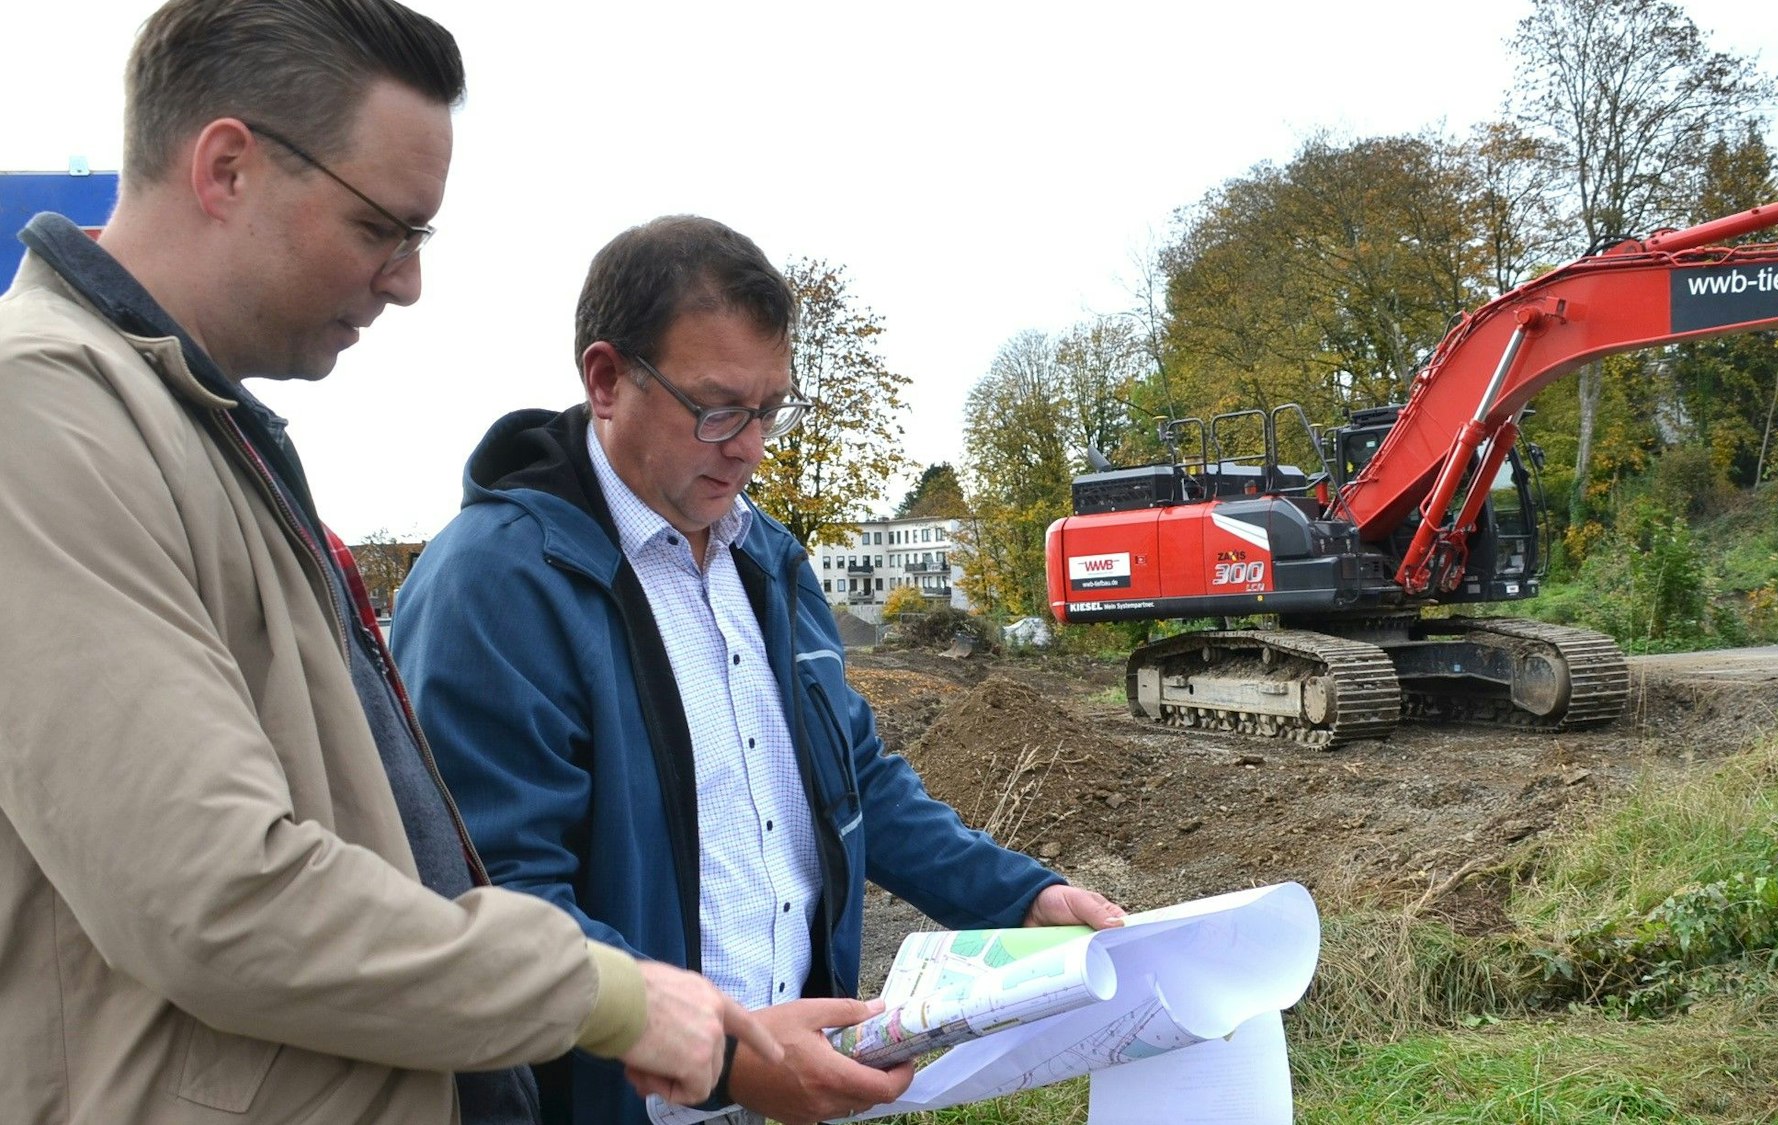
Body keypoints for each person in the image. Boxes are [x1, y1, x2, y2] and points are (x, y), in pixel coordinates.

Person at [0, 4, 782, 1123]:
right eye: (382, 227)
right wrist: (608, 993)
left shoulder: (192, 423)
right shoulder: (40, 411)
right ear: (227, 168)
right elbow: (212, 895)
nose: (406, 282)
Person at [391, 215, 1125, 1125]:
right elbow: (496, 899)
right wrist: (729, 1058)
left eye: (771, 409)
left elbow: (854, 781)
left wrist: (1020, 896)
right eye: (717, 408)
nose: (748, 445)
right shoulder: (496, 584)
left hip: (790, 1089)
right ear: (606, 379)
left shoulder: (767, 560)